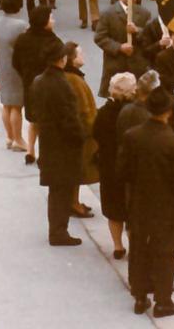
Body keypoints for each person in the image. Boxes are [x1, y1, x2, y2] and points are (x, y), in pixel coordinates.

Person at [116, 86, 174, 318]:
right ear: (168, 111)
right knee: (166, 253)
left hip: (139, 204)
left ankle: (140, 296)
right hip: (166, 208)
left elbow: (122, 172)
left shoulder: (132, 136)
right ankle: (163, 301)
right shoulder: (173, 142)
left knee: (139, 249)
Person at [31, 41, 85, 246]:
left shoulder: (39, 81)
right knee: (63, 189)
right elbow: (70, 118)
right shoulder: (63, 84)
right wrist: (80, 137)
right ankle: (59, 231)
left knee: (56, 190)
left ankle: (56, 229)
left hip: (48, 141)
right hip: (65, 144)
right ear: (62, 59)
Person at [94, 72, 137, 260]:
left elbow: (96, 134)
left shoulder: (103, 113)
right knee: (132, 210)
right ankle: (134, 245)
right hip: (131, 169)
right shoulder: (134, 113)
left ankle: (118, 246)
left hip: (109, 167)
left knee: (114, 210)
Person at [12, 6, 63, 165]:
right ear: (44, 21)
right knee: (46, 122)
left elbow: (16, 62)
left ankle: (30, 151)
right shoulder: (53, 42)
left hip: (29, 84)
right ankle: (43, 154)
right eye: (51, 18)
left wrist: (26, 76)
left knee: (34, 120)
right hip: (48, 86)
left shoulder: (22, 39)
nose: (53, 20)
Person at [95, 0, 151, 98]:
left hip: (137, 67)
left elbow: (149, 37)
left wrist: (137, 31)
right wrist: (119, 47)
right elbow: (100, 37)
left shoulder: (144, 13)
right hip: (116, 65)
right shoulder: (108, 14)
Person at [63, 42, 99, 219]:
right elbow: (84, 110)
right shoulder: (74, 80)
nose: (83, 56)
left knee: (77, 170)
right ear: (71, 58)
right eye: (79, 53)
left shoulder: (72, 77)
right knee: (78, 170)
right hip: (82, 135)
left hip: (78, 133)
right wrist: (94, 128)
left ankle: (74, 201)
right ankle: (73, 203)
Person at [0, 0, 28, 152]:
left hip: (3, 64)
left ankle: (10, 136)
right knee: (16, 106)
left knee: (6, 103)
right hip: (16, 67)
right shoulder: (21, 26)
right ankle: (18, 139)